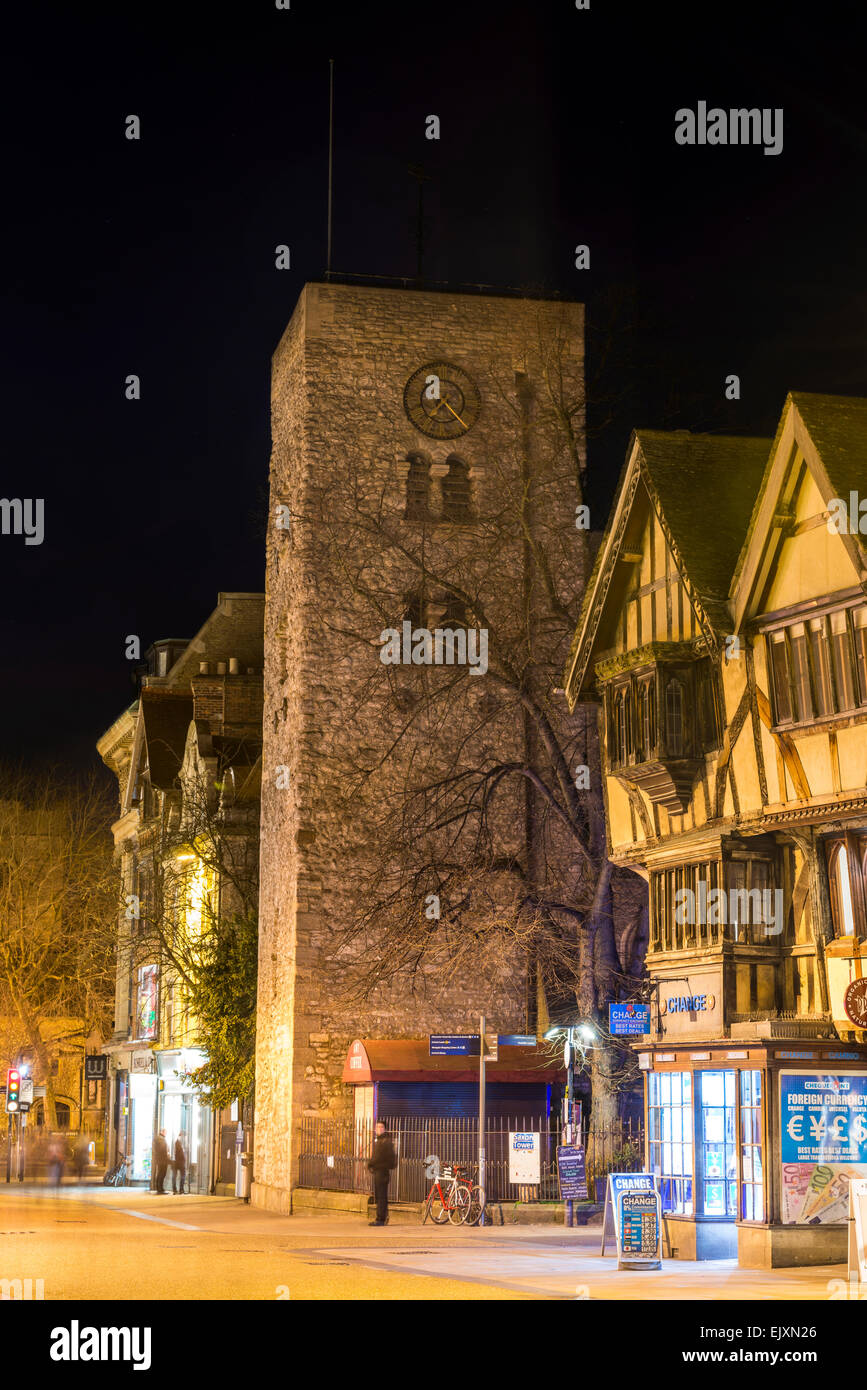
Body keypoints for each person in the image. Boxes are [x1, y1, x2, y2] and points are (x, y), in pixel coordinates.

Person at [367, 1120, 396, 1226]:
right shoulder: (380, 1141)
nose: (379, 1129)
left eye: (381, 1127)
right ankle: (383, 1216)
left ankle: (380, 1219)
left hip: (382, 1172)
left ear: (385, 1129)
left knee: (381, 1196)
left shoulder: (385, 1142)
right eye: (377, 1127)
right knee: (380, 1196)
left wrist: (371, 1163)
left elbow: (382, 1157)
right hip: (379, 1171)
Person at [153, 1129, 169, 1193]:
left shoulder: (158, 1138)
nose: (166, 1134)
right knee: (162, 1174)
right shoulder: (161, 1139)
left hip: (160, 1159)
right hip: (162, 1159)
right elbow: (163, 1150)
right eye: (165, 1132)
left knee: (160, 1173)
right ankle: (160, 1188)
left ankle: (159, 1188)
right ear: (162, 1132)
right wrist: (167, 1155)